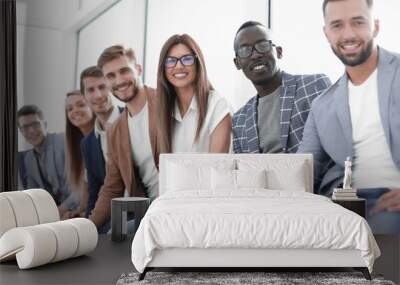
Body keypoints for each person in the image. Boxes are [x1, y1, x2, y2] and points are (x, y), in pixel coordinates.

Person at [298, 0, 400, 234]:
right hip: (344, 206)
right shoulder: (322, 106)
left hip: (390, 206)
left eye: (358, 22)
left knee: (381, 232)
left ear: (375, 26)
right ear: (326, 33)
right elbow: (300, 173)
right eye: (337, 25)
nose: (349, 34)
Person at [232, 21, 331, 154]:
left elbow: (335, 150)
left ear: (279, 52)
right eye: (245, 50)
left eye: (263, 45)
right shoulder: (239, 120)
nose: (255, 55)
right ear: (237, 63)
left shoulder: (314, 86)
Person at [89, 45, 159, 230]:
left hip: (179, 204)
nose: (119, 81)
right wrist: (87, 226)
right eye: (111, 76)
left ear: (138, 69)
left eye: (124, 71)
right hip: (149, 211)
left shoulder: (165, 102)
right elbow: (112, 188)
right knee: (113, 236)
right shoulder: (116, 131)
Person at [157, 34, 232, 153]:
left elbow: (217, 167)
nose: (179, 66)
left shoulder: (218, 106)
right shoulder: (165, 108)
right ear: (163, 68)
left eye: (186, 59)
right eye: (171, 61)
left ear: (198, 63)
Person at [79, 66, 123, 220]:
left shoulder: (133, 118)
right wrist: (85, 227)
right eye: (90, 90)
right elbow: (94, 192)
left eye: (102, 87)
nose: (97, 95)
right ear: (84, 96)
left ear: (112, 88)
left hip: (142, 210)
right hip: (110, 215)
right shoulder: (87, 144)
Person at [17, 104, 76, 216]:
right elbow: (33, 196)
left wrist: (60, 211)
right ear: (21, 131)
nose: (31, 131)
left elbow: (80, 190)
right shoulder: (29, 160)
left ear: (45, 124)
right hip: (55, 213)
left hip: (76, 208)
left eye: (35, 124)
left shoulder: (64, 142)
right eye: (25, 127)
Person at [65, 90, 95, 218]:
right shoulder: (81, 145)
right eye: (70, 108)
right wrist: (79, 212)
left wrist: (84, 215)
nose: (75, 111)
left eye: (81, 105)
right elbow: (88, 189)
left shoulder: (102, 139)